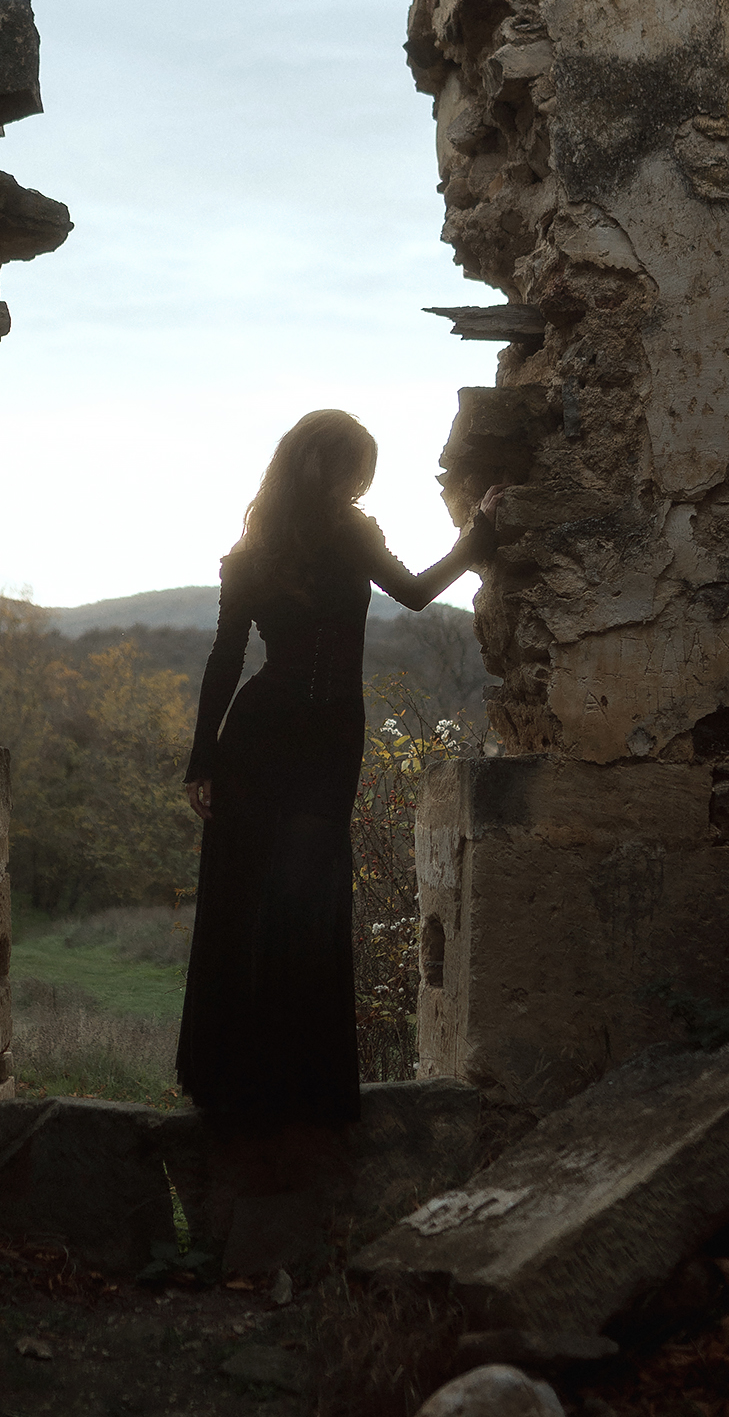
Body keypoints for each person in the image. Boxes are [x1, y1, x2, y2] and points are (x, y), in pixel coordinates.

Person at [176, 408, 501, 1139]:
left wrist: (204, 757)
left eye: (362, 471)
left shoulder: (295, 542)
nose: (357, 483)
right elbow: (226, 658)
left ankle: (273, 1086)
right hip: (283, 742)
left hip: (298, 742)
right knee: (273, 898)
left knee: (288, 897)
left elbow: (409, 594)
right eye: (352, 467)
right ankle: (263, 1088)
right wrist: (201, 761)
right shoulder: (288, 546)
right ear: (322, 464)